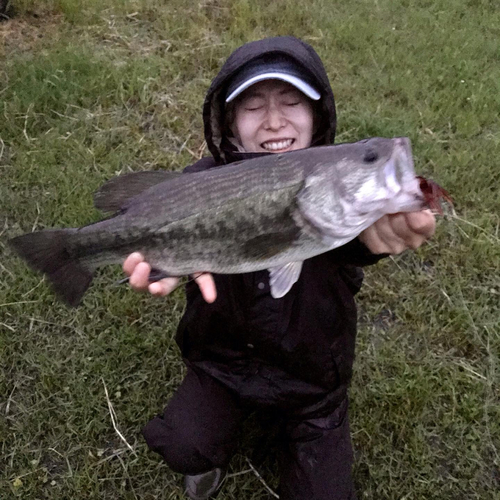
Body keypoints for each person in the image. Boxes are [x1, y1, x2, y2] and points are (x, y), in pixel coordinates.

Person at [123, 37, 435, 500]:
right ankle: (210, 451)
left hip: (313, 383)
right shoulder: (198, 186)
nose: (274, 120)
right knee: (183, 444)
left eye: (292, 102)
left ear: (318, 117)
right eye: (253, 107)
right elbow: (156, 229)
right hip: (223, 366)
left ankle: (303, 429)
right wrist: (166, 259)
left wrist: (375, 235)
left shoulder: (339, 204)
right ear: (229, 123)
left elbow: (360, 240)